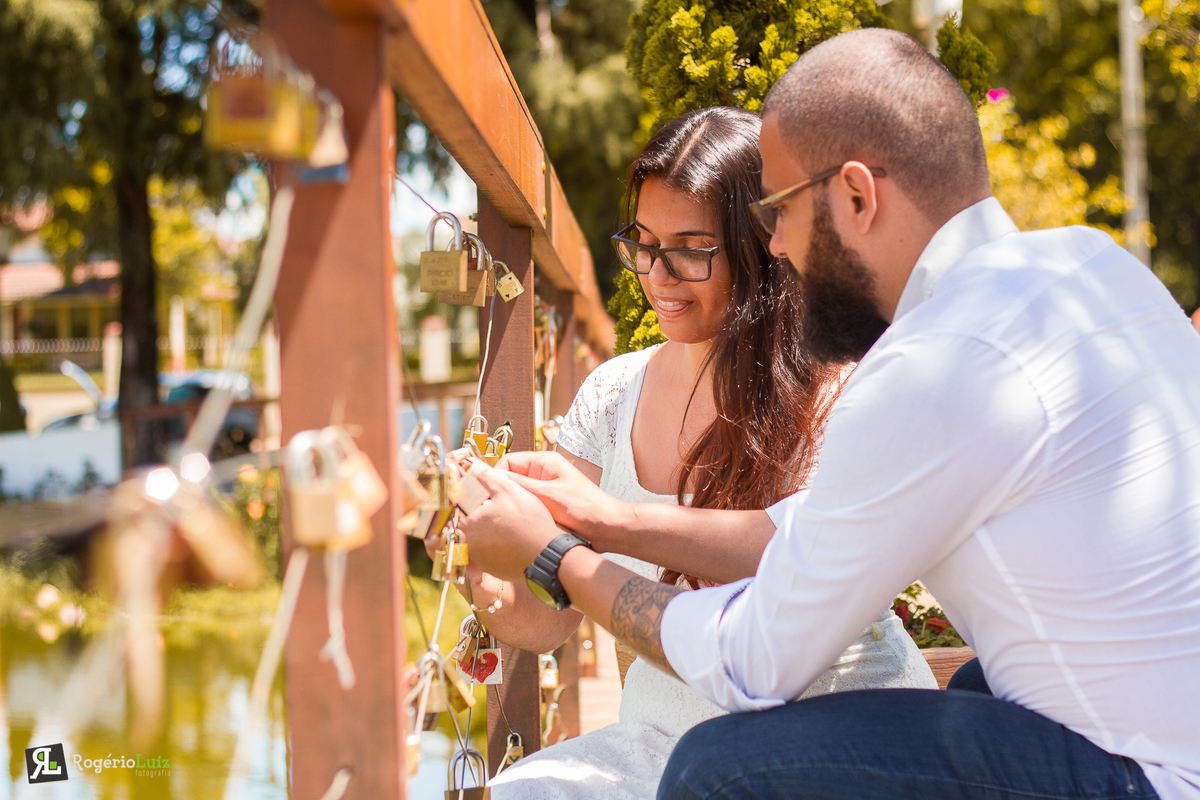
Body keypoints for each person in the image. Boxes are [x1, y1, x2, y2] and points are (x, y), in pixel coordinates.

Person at [459, 28, 1200, 800]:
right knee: (976, 689)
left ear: (856, 196)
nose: (776, 246)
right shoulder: (1092, 266)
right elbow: (805, 536)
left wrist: (557, 557)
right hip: (1153, 738)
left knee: (721, 767)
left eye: (780, 209)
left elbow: (754, 663)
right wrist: (603, 520)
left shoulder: (936, 362)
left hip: (1148, 780)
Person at [443, 106, 936, 800]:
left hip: (836, 739)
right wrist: (481, 555)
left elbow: (802, 560)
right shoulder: (611, 394)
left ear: (764, 245)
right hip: (660, 744)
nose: (659, 274)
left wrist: (583, 532)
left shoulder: (843, 388)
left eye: (692, 248)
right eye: (644, 243)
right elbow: (547, 620)